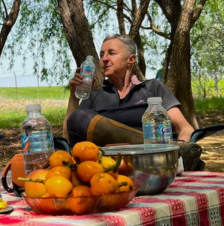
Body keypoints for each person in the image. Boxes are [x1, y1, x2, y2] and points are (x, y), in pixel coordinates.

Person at [65, 34, 194, 146]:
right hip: (109, 162)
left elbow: (185, 128)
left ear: (131, 59)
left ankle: (152, 147)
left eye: (112, 53)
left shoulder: (152, 88)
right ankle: (148, 145)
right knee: (78, 117)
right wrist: (74, 97)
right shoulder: (94, 96)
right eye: (102, 55)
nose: (104, 59)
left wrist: (181, 147)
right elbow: (69, 137)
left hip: (151, 159)